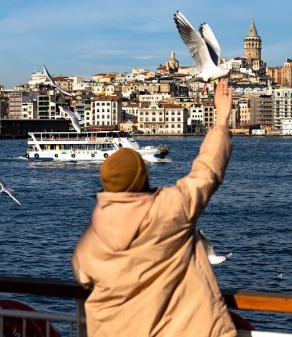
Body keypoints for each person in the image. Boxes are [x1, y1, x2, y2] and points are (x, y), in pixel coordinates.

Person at [72, 79, 237, 337]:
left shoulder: (92, 238)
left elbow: (83, 276)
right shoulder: (168, 210)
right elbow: (206, 172)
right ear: (143, 178)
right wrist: (221, 122)